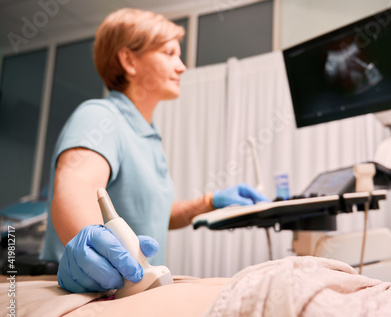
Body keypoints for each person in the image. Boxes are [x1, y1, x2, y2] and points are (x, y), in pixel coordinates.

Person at [39, 8, 269, 293]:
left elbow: (153, 214)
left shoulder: (148, 136)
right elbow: (77, 185)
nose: (182, 66)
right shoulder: (100, 116)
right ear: (129, 60)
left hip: (135, 290)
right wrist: (93, 248)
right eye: (170, 53)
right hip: (96, 291)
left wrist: (210, 201)